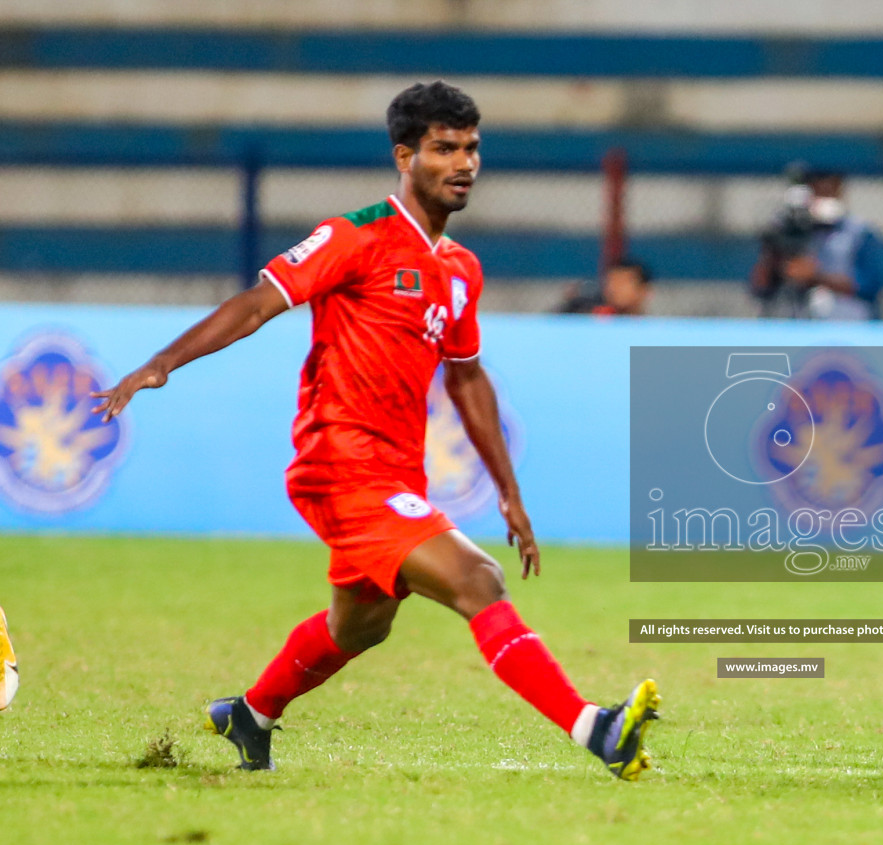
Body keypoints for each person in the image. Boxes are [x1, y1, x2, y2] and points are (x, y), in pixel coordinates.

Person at [92, 81, 660, 778]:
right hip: (338, 463)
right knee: (477, 580)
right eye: (444, 148)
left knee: (361, 625)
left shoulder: (459, 270)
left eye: (472, 148)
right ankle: (594, 728)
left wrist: (508, 490)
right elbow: (256, 303)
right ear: (405, 156)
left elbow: (467, 378)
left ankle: (251, 715)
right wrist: (161, 364)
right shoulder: (354, 236)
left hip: (394, 472)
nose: (464, 164)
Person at [750, 168, 883, 320]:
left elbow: (869, 285)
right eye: (818, 192)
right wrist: (774, 255)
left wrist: (815, 277)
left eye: (829, 191)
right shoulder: (790, 228)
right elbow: (759, 287)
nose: (823, 198)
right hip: (797, 325)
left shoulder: (858, 232)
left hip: (847, 327)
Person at [557, 256, 653, 316]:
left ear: (644, 290)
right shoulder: (587, 320)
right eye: (611, 282)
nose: (615, 289)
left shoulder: (654, 331)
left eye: (622, 283)